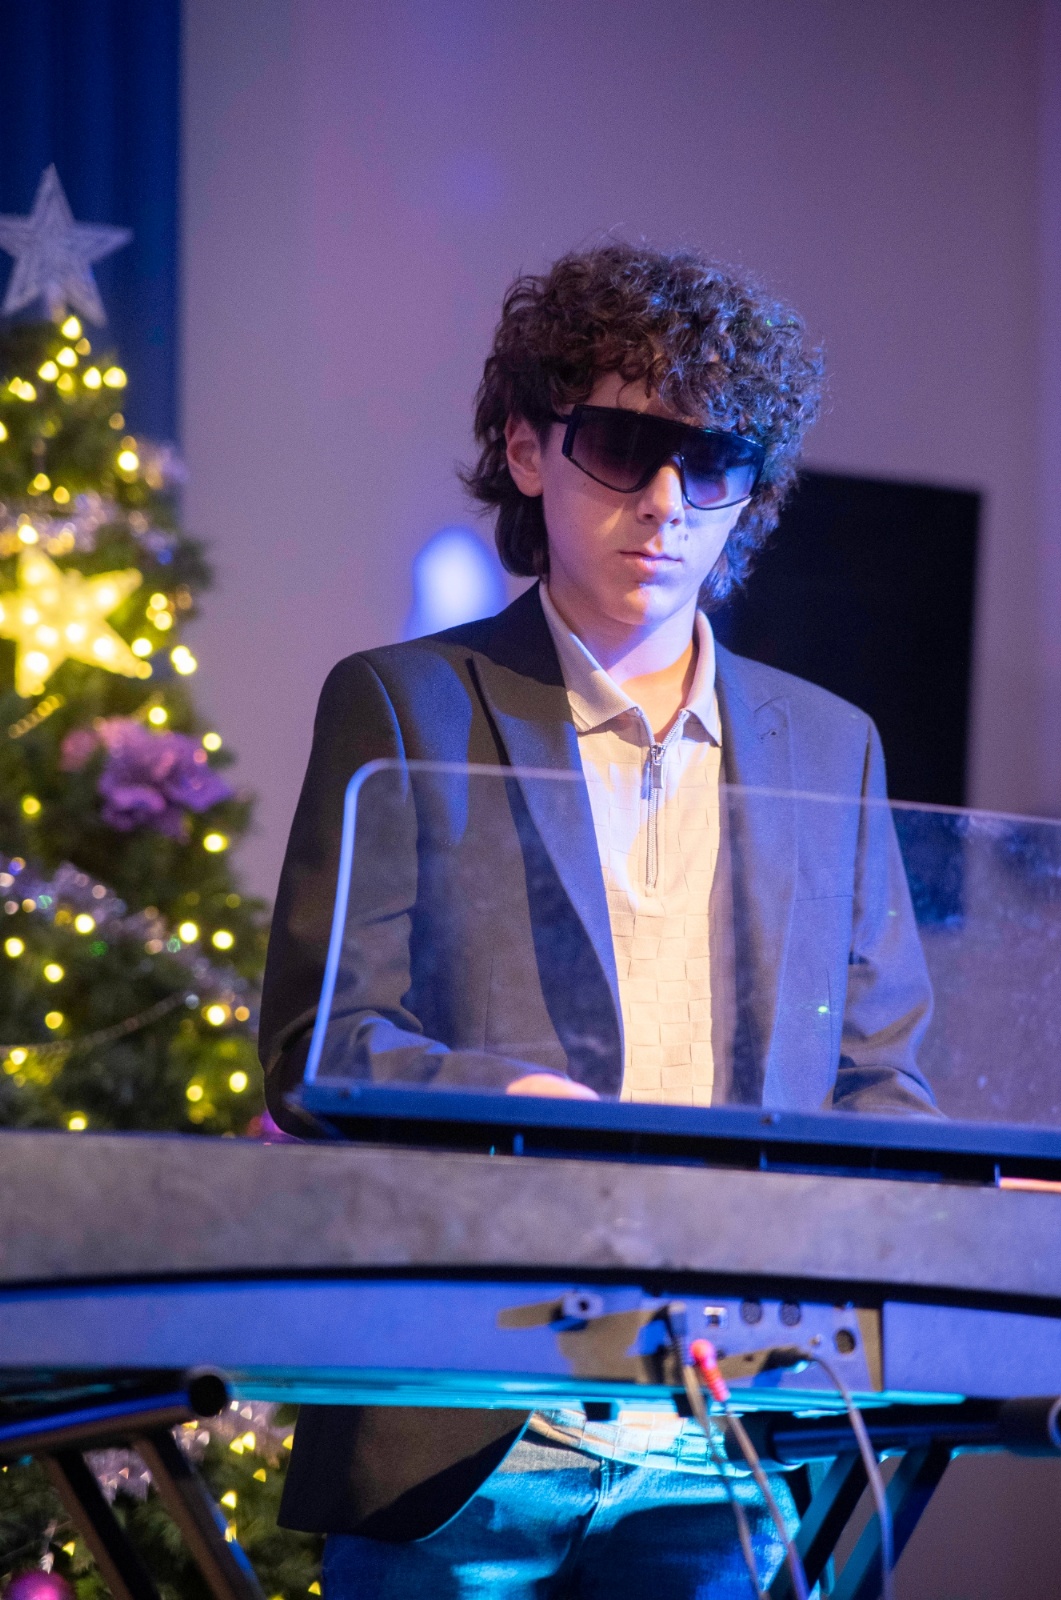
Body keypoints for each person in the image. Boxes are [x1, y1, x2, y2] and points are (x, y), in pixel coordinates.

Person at [259, 241, 936, 1597]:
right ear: (528, 449)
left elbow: (879, 1084)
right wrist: (506, 1100)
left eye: (716, 460)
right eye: (625, 447)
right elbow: (319, 1044)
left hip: (732, 1446)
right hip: (470, 1438)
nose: (667, 501)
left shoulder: (831, 744)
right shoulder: (402, 703)